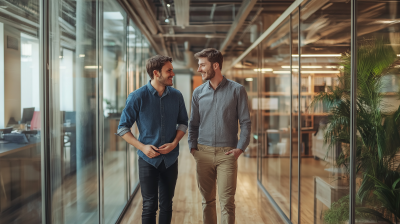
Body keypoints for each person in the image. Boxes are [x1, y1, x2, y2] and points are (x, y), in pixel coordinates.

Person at [117, 55, 188, 224]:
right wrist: (142, 147)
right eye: (169, 70)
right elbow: (122, 128)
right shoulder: (137, 97)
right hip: (147, 160)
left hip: (170, 159)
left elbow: (184, 123)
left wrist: (174, 143)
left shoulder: (177, 96)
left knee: (167, 204)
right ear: (156, 73)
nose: (173, 74)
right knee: (149, 205)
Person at [188, 48, 251, 224]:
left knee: (227, 203)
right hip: (203, 153)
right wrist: (193, 148)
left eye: (202, 65)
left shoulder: (237, 90)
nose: (199, 69)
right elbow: (193, 123)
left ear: (215, 66)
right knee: (207, 202)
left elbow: (246, 122)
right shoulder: (198, 93)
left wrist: (240, 148)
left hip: (227, 155)